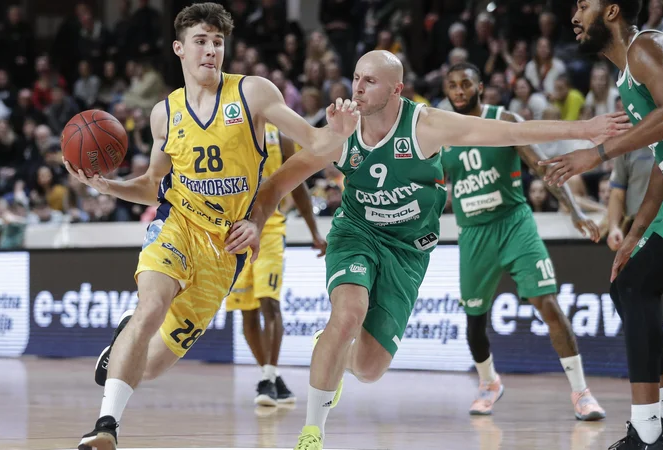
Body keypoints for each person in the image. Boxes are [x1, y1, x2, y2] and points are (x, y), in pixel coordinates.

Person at [230, 49, 627, 450]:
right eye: (355, 78)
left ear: (397, 90)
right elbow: (277, 183)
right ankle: (312, 433)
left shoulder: (426, 126)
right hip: (356, 233)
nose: (358, 87)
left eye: (370, 80)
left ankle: (331, 353)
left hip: (407, 250)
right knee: (348, 313)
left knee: (368, 369)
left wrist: (585, 128)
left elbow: (510, 134)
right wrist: (256, 224)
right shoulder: (341, 130)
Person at [65, 4, 360, 450]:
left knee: (155, 364)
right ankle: (106, 426)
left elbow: (314, 143)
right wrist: (107, 185)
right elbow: (151, 186)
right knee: (151, 308)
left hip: (227, 246)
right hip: (178, 221)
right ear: (179, 48)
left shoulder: (255, 94)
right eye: (201, 41)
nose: (210, 51)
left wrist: (336, 132)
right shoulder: (164, 113)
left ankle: (126, 332)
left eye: (218, 42)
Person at [540, 0, 663, 448]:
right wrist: (635, 233)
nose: (574, 16)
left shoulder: (645, 48)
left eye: (583, 5)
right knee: (627, 281)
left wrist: (596, 153)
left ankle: (648, 432)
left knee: (635, 287)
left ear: (611, 11)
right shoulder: (631, 75)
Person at [441, 62, 606, 420]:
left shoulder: (506, 120)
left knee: (547, 303)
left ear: (480, 86)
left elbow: (542, 169)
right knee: (474, 320)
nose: (458, 91)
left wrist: (575, 212)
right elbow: (432, 187)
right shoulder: (442, 136)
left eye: (465, 83)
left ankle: (582, 393)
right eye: (452, 85)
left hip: (515, 224)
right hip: (473, 233)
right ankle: (489, 383)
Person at [225, 122, 327, 407]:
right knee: (246, 312)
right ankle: (271, 377)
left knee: (269, 302)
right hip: (233, 231)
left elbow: (297, 186)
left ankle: (267, 378)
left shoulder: (278, 135)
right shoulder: (224, 132)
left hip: (270, 229)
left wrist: (314, 232)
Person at [606, 96, 663, 344]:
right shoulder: (627, 150)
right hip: (642, 224)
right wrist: (615, 227)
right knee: (626, 288)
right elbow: (616, 191)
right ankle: (656, 377)